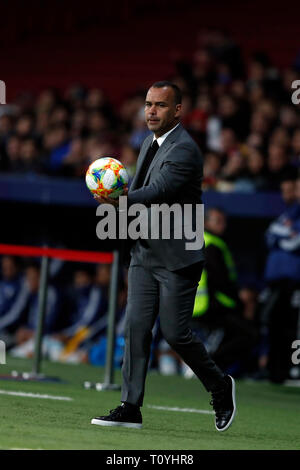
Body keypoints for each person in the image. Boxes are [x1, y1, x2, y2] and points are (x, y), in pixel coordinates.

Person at [91, 81, 236, 432]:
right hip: (145, 253)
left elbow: (159, 192)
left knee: (175, 333)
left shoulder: (185, 150)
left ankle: (219, 385)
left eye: (159, 105)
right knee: (136, 328)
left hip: (177, 258)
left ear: (177, 111)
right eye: (147, 104)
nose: (151, 111)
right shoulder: (147, 144)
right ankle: (130, 406)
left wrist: (118, 201)